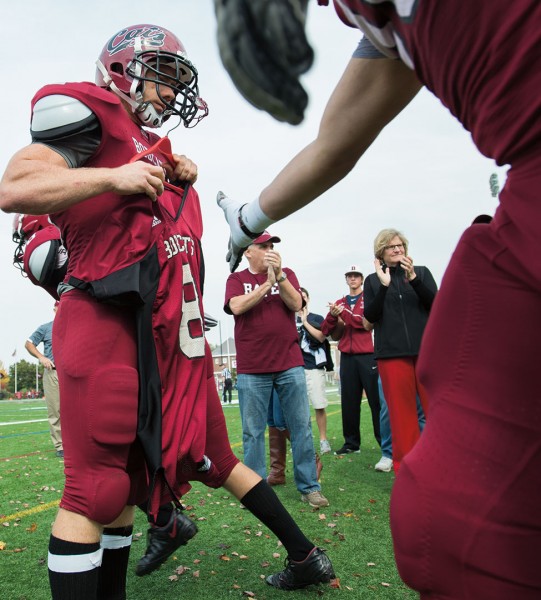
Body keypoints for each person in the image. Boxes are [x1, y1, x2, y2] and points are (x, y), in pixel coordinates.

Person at [216, 2, 541, 596]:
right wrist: (248, 218)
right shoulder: (386, 30)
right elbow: (336, 142)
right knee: (442, 524)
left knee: (453, 527)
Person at [0, 24, 334, 599]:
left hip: (157, 338)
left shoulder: (151, 146)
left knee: (128, 486)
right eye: (163, 75)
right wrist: (116, 176)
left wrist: (171, 178)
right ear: (123, 70)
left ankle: (170, 537)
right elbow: (16, 186)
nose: (172, 91)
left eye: (179, 79)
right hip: (103, 315)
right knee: (94, 493)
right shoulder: (89, 107)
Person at [224, 231, 329, 508]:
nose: (270, 250)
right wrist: (264, 285)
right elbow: (236, 307)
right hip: (252, 368)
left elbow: (296, 304)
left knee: (300, 426)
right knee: (252, 432)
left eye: (272, 246)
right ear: (248, 251)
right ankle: (255, 493)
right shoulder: (237, 279)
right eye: (264, 246)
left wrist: (278, 277)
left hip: (289, 364)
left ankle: (309, 487)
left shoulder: (287, 274)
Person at [363, 229, 436, 471]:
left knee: (434, 412)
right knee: (401, 416)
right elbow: (370, 317)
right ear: (381, 253)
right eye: (391, 246)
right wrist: (383, 286)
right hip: (392, 356)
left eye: (400, 245)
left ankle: (437, 462)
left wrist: (413, 278)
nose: (397, 249)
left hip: (425, 353)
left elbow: (436, 304)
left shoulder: (422, 273)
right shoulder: (372, 281)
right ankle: (407, 470)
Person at [321, 265, 381, 458]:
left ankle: (384, 442)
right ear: (346, 279)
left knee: (376, 401)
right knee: (349, 401)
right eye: (350, 276)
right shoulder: (340, 302)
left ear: (362, 279)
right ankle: (351, 443)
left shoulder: (369, 299)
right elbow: (325, 330)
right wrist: (332, 315)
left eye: (356, 276)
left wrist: (342, 314)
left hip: (368, 355)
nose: (353, 279)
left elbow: (362, 323)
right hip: (347, 356)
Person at [296, 287, 332, 454]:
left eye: (303, 297)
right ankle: (302, 442)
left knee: (318, 405)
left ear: (308, 299)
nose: (301, 300)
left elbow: (321, 337)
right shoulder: (288, 319)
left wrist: (304, 322)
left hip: (313, 368)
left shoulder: (316, 318)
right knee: (297, 409)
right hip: (294, 368)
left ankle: (323, 439)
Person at [25, 302, 63, 458]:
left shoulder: (75, 327)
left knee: (77, 409)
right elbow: (28, 343)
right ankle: (60, 446)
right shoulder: (46, 327)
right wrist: (41, 357)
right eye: (59, 306)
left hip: (72, 374)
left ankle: (77, 443)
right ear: (54, 309)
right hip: (53, 373)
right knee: (55, 410)